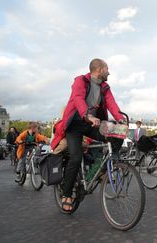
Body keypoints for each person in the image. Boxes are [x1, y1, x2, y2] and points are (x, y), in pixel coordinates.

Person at [50, 58, 124, 212]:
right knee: (75, 158)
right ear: (99, 69)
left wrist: (121, 119)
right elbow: (77, 98)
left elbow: (112, 104)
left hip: (93, 123)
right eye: (107, 69)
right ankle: (67, 194)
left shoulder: (105, 87)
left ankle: (104, 168)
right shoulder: (81, 81)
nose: (109, 72)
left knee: (119, 132)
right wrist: (87, 115)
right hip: (75, 124)